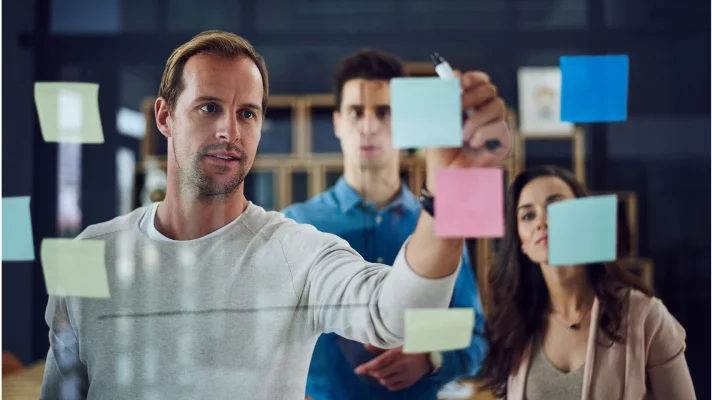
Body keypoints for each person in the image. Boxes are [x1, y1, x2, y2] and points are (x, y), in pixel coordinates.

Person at [39, 31, 511, 399]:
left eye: (247, 114)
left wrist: (448, 197)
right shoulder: (89, 255)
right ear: (165, 116)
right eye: (208, 107)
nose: (229, 129)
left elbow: (414, 317)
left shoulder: (297, 247)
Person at [281, 49, 487, 400]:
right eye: (356, 112)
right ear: (337, 123)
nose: (369, 125)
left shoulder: (439, 222)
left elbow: (474, 336)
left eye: (384, 111)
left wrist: (430, 357)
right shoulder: (298, 223)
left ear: (405, 121)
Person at [476, 165, 695, 399]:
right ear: (522, 244)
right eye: (528, 215)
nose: (542, 221)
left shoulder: (644, 315)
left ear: (585, 219)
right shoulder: (516, 325)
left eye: (556, 206)